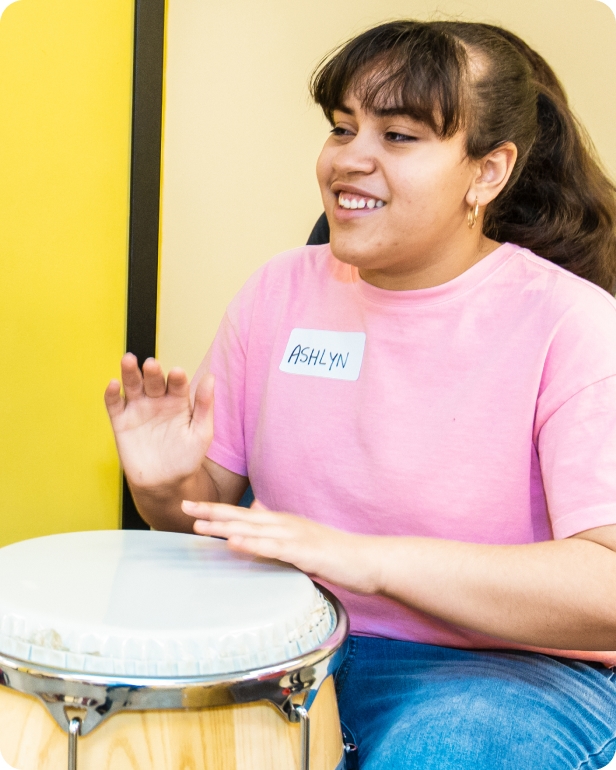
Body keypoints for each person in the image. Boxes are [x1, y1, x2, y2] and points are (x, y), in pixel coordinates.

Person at [105, 20, 616, 769]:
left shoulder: (574, 324)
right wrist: (167, 485)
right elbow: (203, 518)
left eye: (400, 136)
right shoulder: (278, 291)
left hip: (507, 674)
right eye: (343, 128)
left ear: (487, 171)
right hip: (290, 640)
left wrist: (361, 559)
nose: (352, 159)